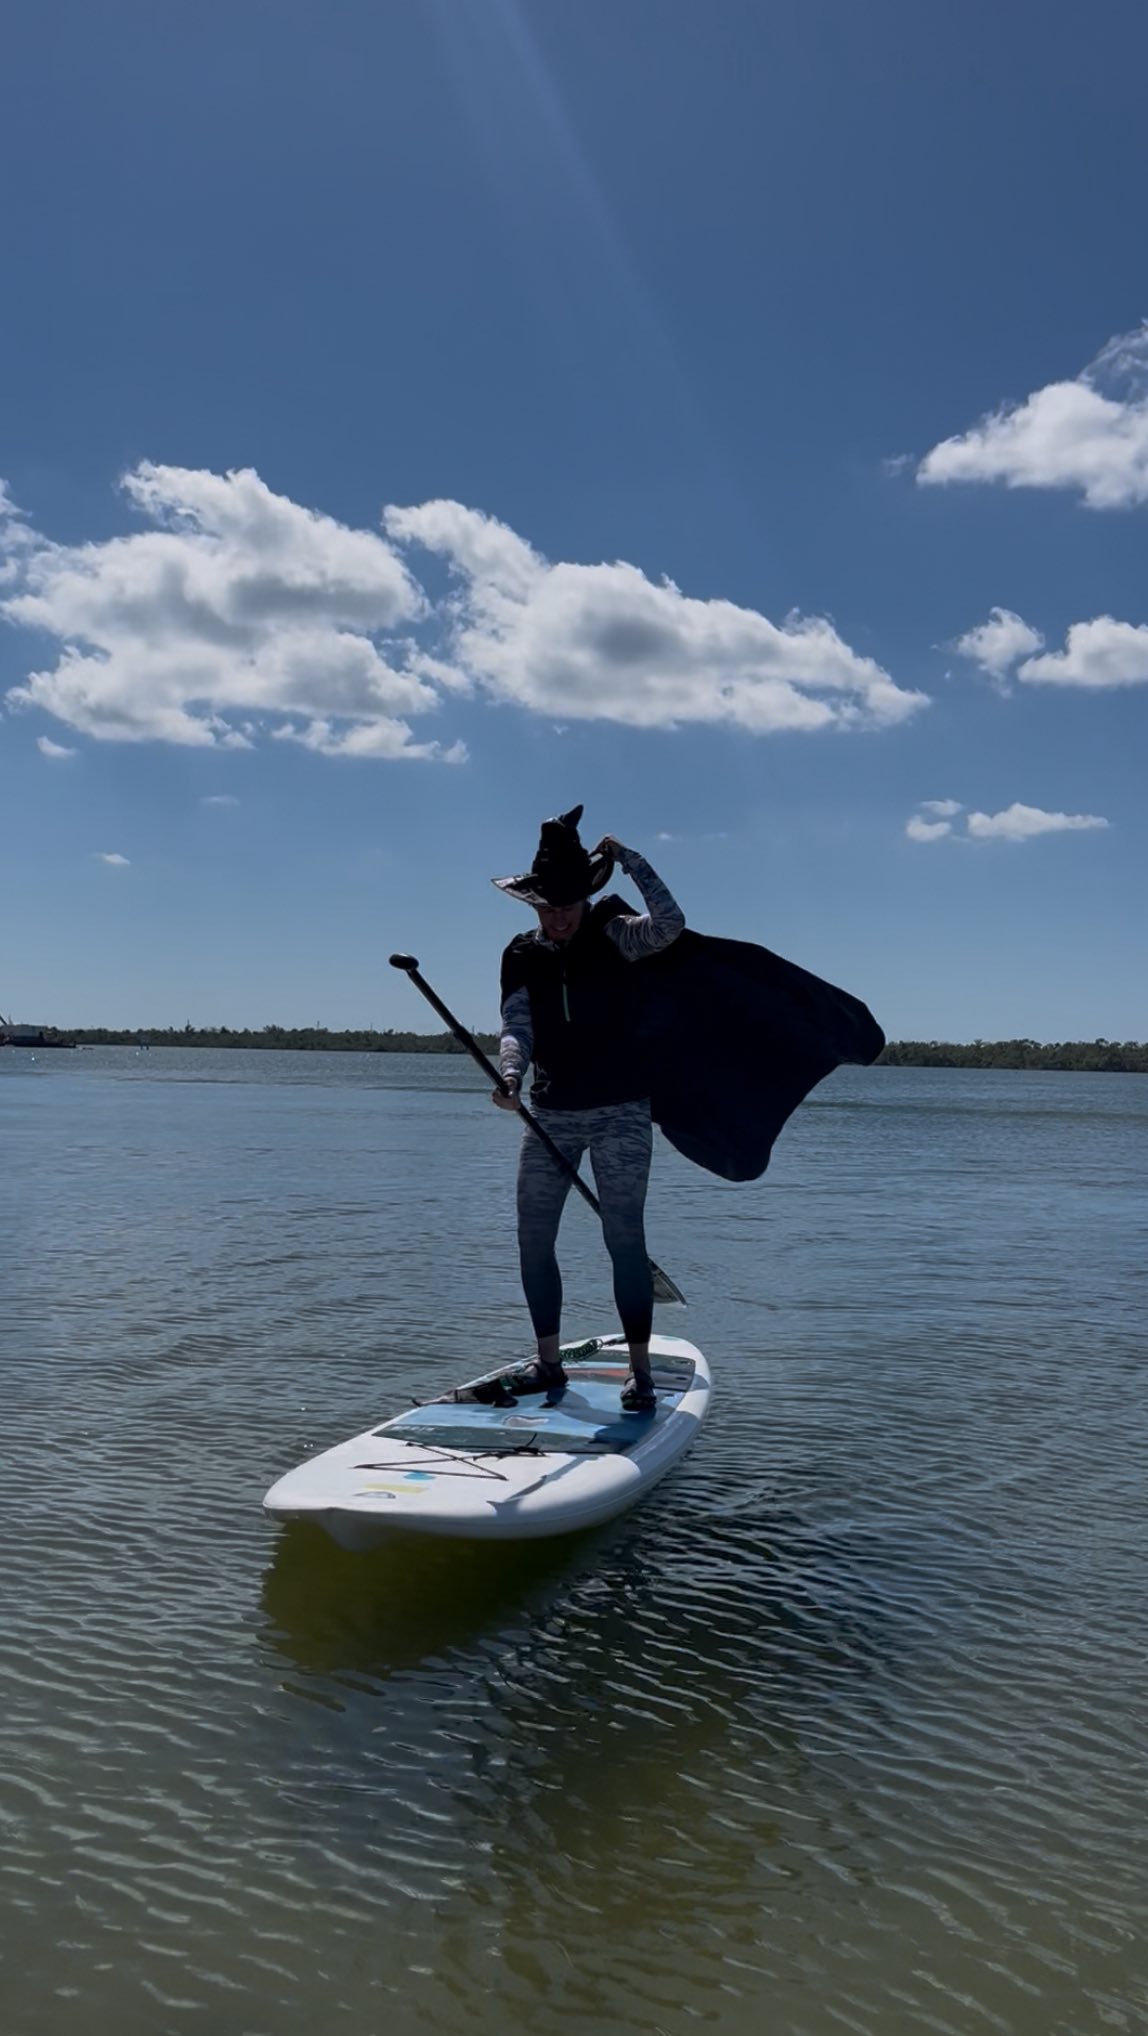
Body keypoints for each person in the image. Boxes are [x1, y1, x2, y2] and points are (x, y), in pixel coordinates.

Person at [492, 806, 685, 1411]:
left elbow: (672, 925)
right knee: (531, 1236)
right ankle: (549, 1365)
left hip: (622, 1110)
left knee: (623, 1237)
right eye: (547, 908)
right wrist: (511, 1074)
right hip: (551, 1109)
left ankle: (640, 1372)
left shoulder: (615, 931)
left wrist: (631, 860)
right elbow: (516, 1026)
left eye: (567, 906)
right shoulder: (521, 953)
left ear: (586, 896)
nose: (558, 918)